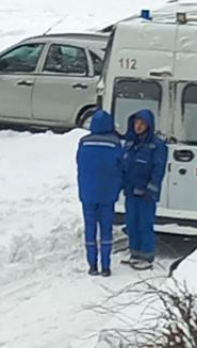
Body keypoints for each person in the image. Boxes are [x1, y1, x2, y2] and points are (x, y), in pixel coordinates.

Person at [76, 110, 123, 277]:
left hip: (87, 193)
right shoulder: (115, 143)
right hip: (107, 194)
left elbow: (79, 164)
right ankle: (106, 266)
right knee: (106, 230)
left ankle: (92, 265)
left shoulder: (84, 142)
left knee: (90, 229)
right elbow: (120, 166)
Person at [122, 109, 167, 270]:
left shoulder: (157, 145)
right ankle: (135, 253)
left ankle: (147, 256)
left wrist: (152, 189)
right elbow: (124, 166)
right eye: (136, 123)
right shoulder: (130, 143)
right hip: (130, 192)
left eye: (142, 123)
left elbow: (158, 169)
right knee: (131, 223)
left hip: (146, 194)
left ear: (148, 125)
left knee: (144, 224)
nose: (138, 126)